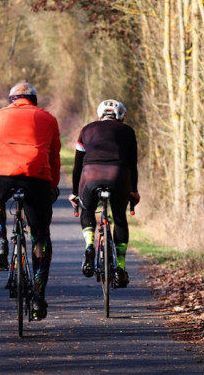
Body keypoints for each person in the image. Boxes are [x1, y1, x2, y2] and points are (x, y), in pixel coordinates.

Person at [0, 81, 61, 320]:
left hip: (1, 175)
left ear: (11, 100)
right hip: (36, 178)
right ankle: (38, 296)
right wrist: (52, 185)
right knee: (40, 235)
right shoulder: (49, 119)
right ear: (33, 100)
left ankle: (1, 241)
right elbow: (54, 157)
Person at [68, 99, 140, 288]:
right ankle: (121, 267)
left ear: (100, 115)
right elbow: (132, 165)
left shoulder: (86, 130)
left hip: (90, 176)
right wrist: (134, 191)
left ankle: (90, 245)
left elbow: (77, 167)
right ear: (121, 117)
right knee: (119, 218)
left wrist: (75, 193)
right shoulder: (128, 132)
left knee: (87, 210)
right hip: (118, 177)